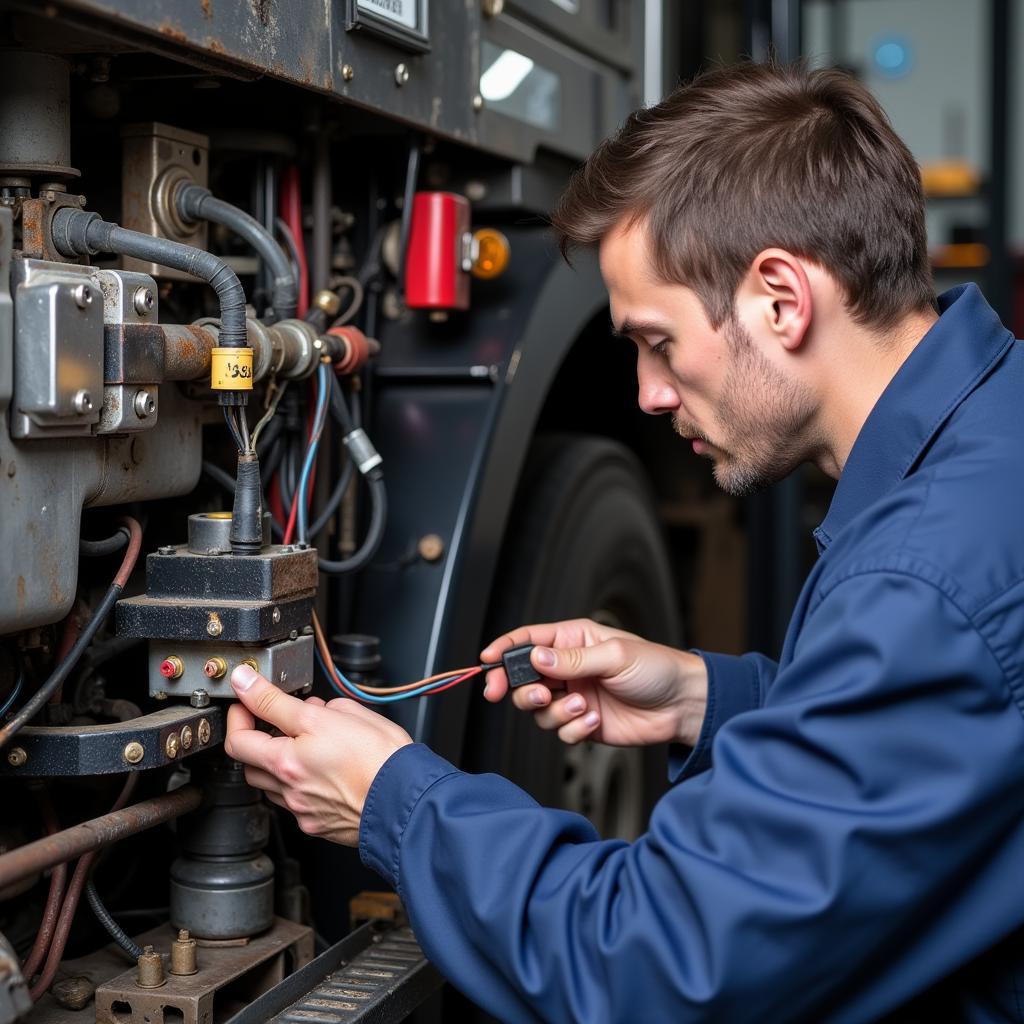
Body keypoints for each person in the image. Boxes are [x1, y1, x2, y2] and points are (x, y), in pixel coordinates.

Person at [224, 61, 1024, 1022]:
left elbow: (658, 968)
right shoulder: (990, 442)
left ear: (781, 297)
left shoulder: (921, 580)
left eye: (658, 341)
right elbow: (944, 743)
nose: (648, 393)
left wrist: (392, 801)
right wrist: (704, 697)